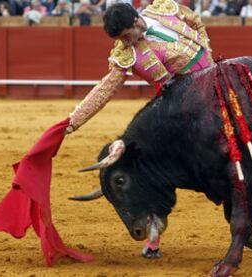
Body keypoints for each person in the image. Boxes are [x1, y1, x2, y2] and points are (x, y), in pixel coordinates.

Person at [65, 0, 214, 258]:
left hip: (216, 81)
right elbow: (104, 89)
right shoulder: (126, 54)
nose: (125, 43)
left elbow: (196, 21)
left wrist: (208, 51)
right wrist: (73, 120)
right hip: (182, 111)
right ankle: (154, 236)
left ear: (136, 21)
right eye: (120, 39)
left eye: (126, 36)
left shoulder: (163, 9)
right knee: (153, 167)